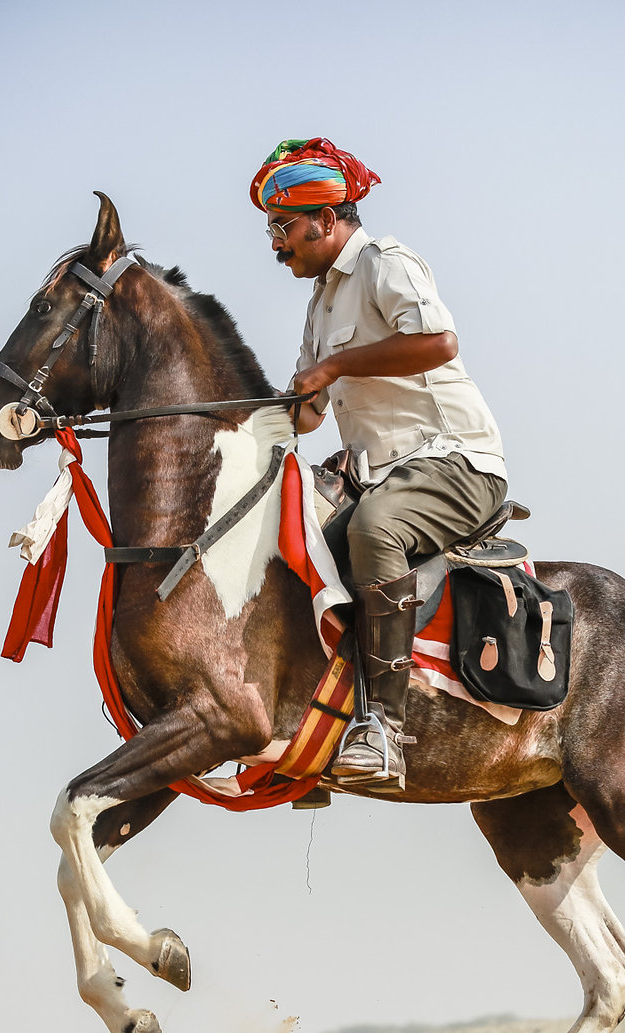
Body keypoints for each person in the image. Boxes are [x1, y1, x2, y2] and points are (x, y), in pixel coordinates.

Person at [251, 138, 509, 789]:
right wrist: (281, 410)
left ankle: (384, 731)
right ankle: (307, 730)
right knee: (294, 561)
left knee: (374, 531)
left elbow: (437, 342)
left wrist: (332, 366)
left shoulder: (383, 263)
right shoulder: (319, 303)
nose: (277, 243)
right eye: (272, 231)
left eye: (285, 227)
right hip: (384, 478)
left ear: (327, 219)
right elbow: (311, 414)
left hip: (456, 464)